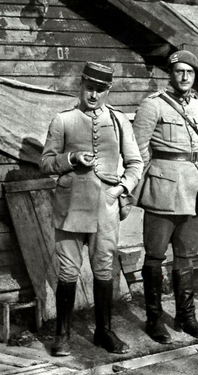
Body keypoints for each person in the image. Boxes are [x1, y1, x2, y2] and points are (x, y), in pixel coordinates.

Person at [39, 62, 143, 356]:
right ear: (80, 86)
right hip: (70, 208)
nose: (94, 95)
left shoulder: (120, 122)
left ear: (108, 91)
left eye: (100, 90)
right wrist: (71, 159)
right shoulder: (63, 120)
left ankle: (104, 332)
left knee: (103, 269)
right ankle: (62, 335)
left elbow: (135, 164)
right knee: (68, 272)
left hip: (106, 208)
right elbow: (45, 163)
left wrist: (121, 189)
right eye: (89, 88)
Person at [133, 50, 198, 344]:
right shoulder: (152, 105)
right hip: (162, 190)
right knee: (154, 256)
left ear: (195, 77)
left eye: (189, 73)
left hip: (192, 190)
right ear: (170, 74)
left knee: (186, 256)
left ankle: (186, 317)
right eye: (179, 71)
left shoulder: (196, 104)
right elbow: (137, 150)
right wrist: (146, 183)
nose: (184, 77)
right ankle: (154, 320)